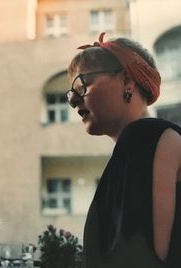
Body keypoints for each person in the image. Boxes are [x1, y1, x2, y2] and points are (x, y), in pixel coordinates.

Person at [67, 32, 181, 267]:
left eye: (82, 85)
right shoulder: (150, 140)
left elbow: (137, 257)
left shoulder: (144, 136)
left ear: (127, 79)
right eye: (71, 93)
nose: (73, 100)